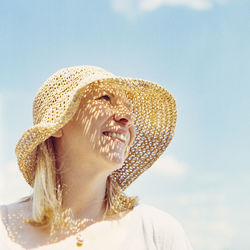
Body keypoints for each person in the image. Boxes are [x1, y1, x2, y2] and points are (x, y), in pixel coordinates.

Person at [0, 65, 193, 249]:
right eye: (105, 98)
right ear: (58, 123)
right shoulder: (4, 229)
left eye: (128, 108)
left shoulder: (159, 233)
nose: (127, 117)